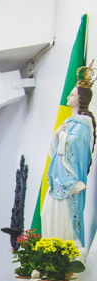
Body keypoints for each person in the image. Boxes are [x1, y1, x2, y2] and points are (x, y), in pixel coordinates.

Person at [41, 67, 95, 247]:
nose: (67, 98)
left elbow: (77, 145)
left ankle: (65, 255)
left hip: (69, 180)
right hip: (56, 179)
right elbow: (55, 152)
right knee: (47, 214)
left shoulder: (83, 123)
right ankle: (49, 252)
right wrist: (56, 136)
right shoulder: (69, 122)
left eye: (71, 95)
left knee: (64, 219)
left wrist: (61, 136)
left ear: (80, 99)